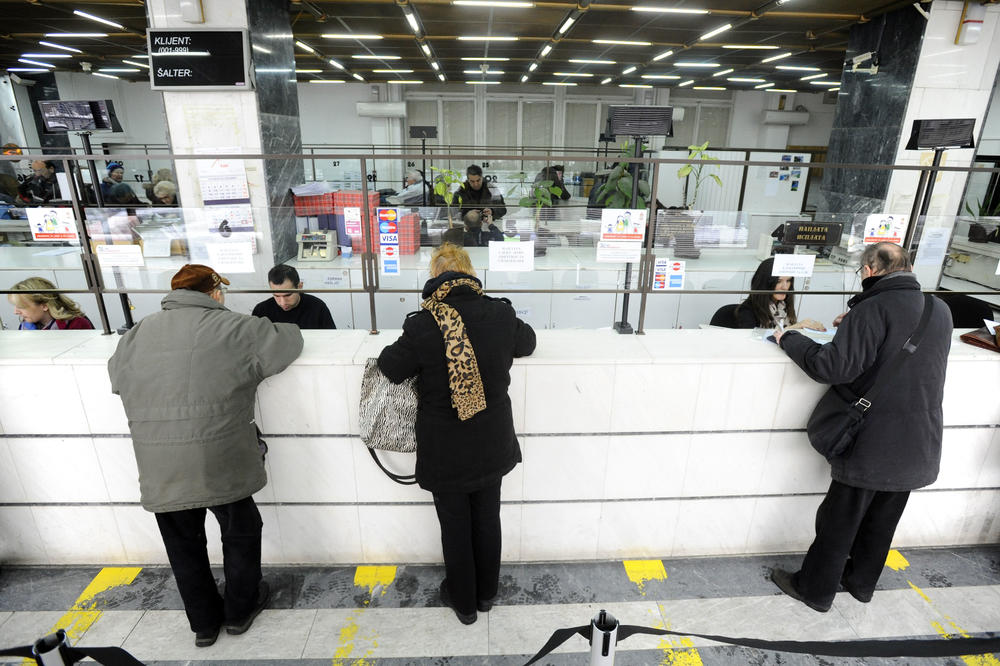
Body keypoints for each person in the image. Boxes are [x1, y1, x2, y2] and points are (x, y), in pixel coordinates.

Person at [108, 264, 303, 647]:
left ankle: (203, 623)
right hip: (220, 454)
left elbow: (117, 377)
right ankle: (240, 610)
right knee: (241, 528)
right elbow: (289, 340)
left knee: (182, 542)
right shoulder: (235, 327)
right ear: (214, 292)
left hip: (159, 462)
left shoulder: (139, 332)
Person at [770, 242, 952, 612]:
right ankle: (860, 583)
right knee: (883, 519)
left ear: (870, 271)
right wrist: (854, 325)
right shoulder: (939, 308)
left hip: (873, 436)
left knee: (841, 517)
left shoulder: (874, 307)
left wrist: (789, 338)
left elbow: (832, 367)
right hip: (920, 437)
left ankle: (815, 590)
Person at [377, 243, 535, 625]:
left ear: (435, 276)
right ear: (471, 273)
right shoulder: (499, 312)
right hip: (491, 441)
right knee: (487, 517)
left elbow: (390, 367)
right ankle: (486, 595)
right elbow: (527, 342)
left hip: (446, 447)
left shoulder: (422, 323)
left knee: (454, 522)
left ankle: (463, 603)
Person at [732, 257, 825, 331]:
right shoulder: (747, 311)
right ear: (765, 283)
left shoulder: (783, 305)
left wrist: (808, 328)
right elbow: (753, 342)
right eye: (779, 281)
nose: (785, 287)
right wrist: (795, 327)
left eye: (788, 281)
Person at [251, 264, 335, 329]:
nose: (282, 302)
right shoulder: (261, 311)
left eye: (288, 295)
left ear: (299, 286)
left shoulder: (317, 307)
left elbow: (332, 338)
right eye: (276, 296)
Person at [8, 277, 94, 330]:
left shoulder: (76, 325)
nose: (15, 312)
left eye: (21, 306)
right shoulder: (25, 326)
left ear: (45, 306)